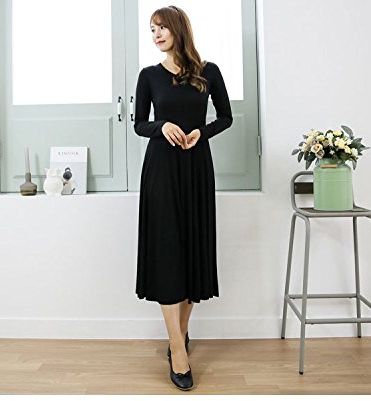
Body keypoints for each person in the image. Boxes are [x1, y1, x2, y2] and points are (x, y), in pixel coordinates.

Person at [134, 5, 232, 391]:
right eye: (151, 29)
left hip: (196, 168)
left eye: (161, 28)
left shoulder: (209, 72)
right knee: (166, 252)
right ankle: (177, 347)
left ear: (178, 29)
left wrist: (200, 133)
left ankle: (181, 332)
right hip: (161, 170)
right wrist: (162, 126)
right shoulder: (148, 76)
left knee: (191, 249)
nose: (156, 35)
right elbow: (140, 124)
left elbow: (225, 117)